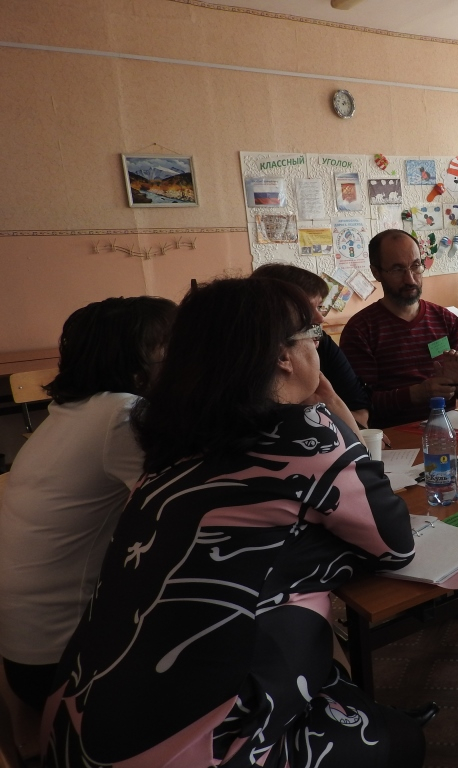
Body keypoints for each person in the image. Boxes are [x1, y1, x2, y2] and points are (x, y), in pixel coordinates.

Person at [41, 278, 432, 767]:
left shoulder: (172, 436)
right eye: (313, 334)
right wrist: (335, 414)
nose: (318, 346)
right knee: (403, 741)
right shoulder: (303, 434)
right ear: (283, 356)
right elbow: (394, 545)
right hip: (197, 744)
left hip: (84, 723)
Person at [0, 296, 176, 710]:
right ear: (136, 364)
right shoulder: (122, 415)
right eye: (170, 348)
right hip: (66, 663)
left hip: (29, 652)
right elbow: (185, 502)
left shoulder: (72, 410)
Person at [341, 229, 458, 428]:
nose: (410, 279)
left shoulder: (445, 319)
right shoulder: (360, 330)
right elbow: (359, 404)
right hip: (393, 438)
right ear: (376, 272)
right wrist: (415, 394)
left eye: (416, 266)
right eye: (397, 269)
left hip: (445, 431)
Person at [252, 262, 371, 428]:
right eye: (305, 310)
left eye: (319, 307)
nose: (320, 318)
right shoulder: (251, 359)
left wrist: (328, 403)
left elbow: (361, 413)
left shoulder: (321, 342)